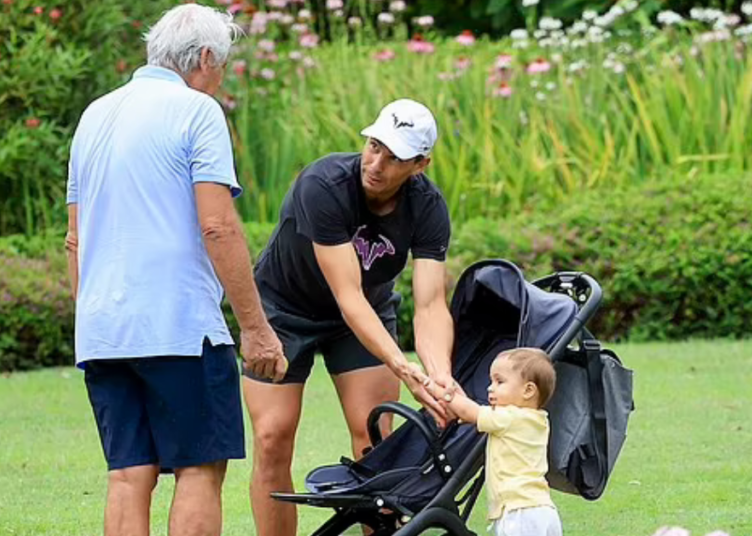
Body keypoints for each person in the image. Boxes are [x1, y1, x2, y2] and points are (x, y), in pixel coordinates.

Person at [63, 5, 286, 536]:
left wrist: (91, 320)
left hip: (102, 330)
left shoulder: (94, 114)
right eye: (224, 66)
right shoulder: (197, 110)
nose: (221, 77)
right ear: (206, 57)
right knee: (199, 468)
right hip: (179, 328)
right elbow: (218, 226)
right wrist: (255, 328)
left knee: (127, 474)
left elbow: (74, 238)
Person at [244, 99, 457, 536]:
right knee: (272, 438)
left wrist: (439, 378)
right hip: (285, 308)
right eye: (374, 145)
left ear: (419, 164)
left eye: (393, 156)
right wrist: (403, 366)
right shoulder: (323, 183)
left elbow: (432, 304)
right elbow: (347, 295)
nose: (376, 163)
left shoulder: (428, 207)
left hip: (366, 313)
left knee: (374, 441)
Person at [426, 347, 562, 536]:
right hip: (541, 509)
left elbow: (469, 411)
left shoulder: (508, 418)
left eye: (500, 381)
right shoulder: (537, 419)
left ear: (528, 390)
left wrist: (435, 389)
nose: (490, 387)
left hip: (519, 513)